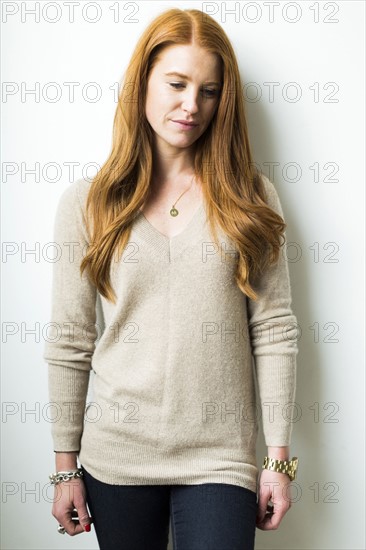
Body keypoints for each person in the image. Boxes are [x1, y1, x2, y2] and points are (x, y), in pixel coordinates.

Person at [44, 7, 299, 550]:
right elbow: (70, 340)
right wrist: (66, 467)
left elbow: (274, 331)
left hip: (220, 457)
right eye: (177, 84)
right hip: (117, 457)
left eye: (209, 90)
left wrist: (278, 460)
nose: (192, 105)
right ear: (143, 84)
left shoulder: (251, 197)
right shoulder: (88, 204)